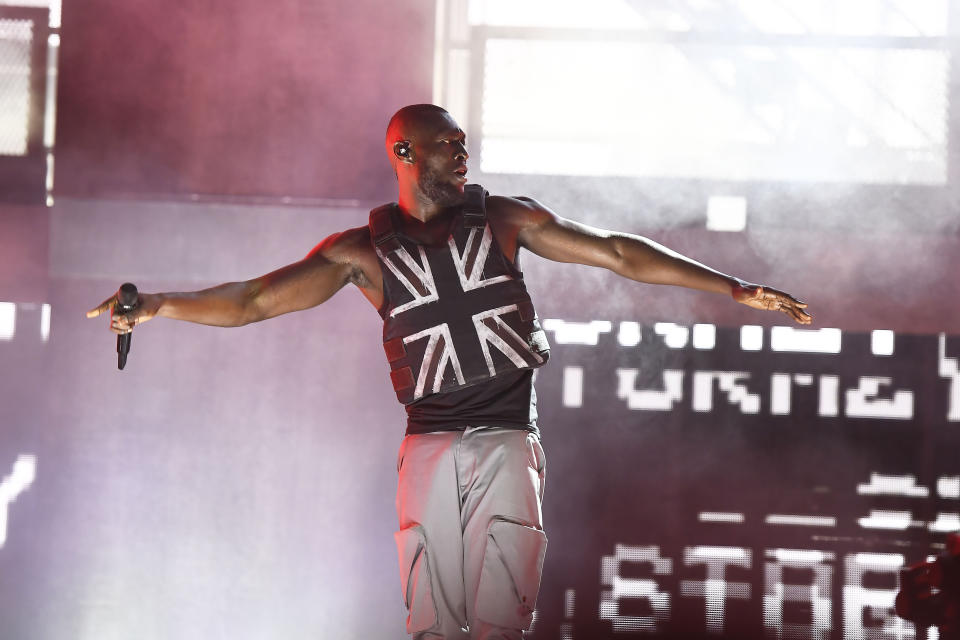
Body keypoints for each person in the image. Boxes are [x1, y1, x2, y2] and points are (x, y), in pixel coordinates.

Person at [87, 104, 812, 640]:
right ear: (403, 151)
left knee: (502, 616)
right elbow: (251, 301)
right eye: (445, 144)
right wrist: (155, 305)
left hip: (504, 437)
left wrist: (734, 289)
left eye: (464, 143)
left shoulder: (504, 219)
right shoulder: (359, 253)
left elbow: (621, 254)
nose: (461, 154)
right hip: (427, 445)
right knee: (432, 621)